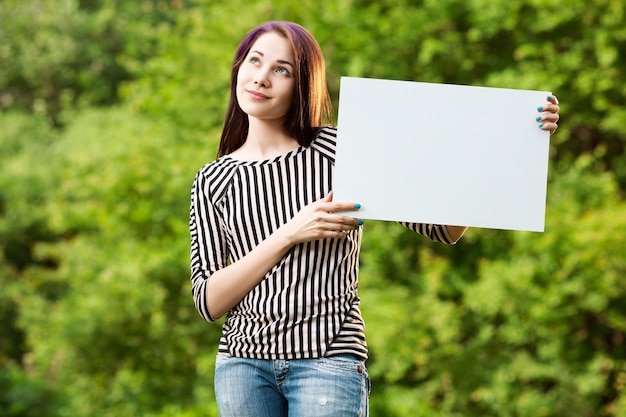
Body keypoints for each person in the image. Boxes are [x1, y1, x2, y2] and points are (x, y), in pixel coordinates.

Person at [188, 21, 560, 417]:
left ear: (302, 85)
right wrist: (289, 234)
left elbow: (442, 228)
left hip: (327, 360)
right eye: (255, 61)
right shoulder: (212, 180)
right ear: (238, 67)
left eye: (282, 69)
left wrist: (516, 137)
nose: (261, 78)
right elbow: (209, 301)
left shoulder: (340, 150)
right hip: (242, 367)